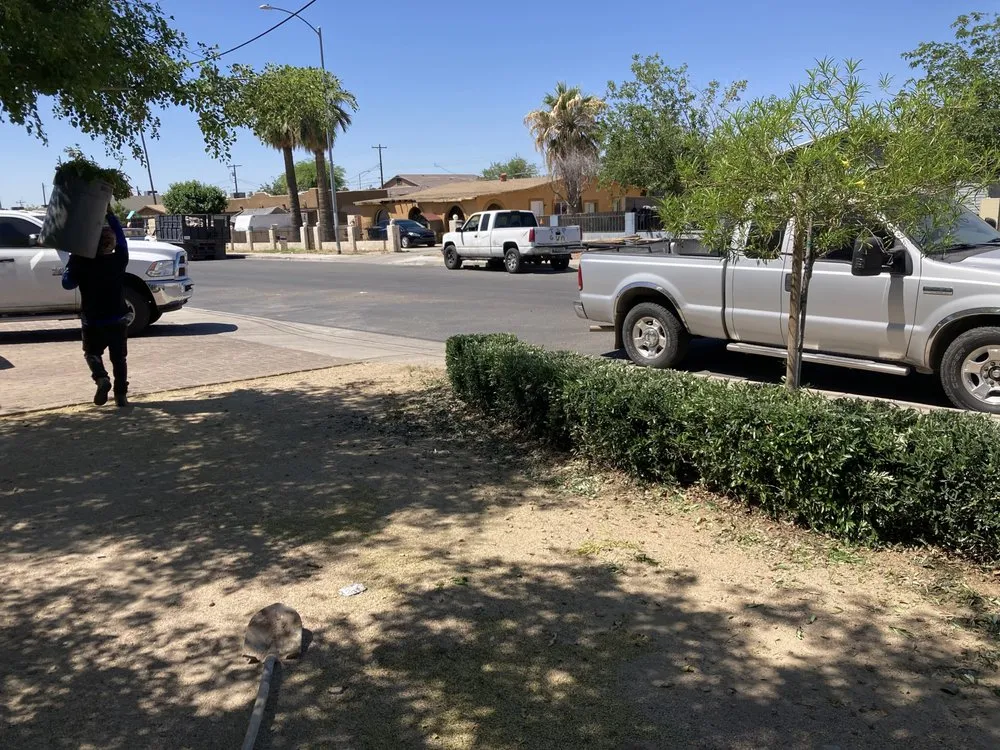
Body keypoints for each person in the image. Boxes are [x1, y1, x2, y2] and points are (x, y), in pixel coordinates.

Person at [62, 210, 131, 407]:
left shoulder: (82, 263)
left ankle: (101, 378)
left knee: (92, 353)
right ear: (112, 244)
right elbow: (122, 240)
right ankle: (121, 395)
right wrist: (110, 215)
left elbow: (67, 284)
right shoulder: (119, 260)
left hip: (93, 320)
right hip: (118, 318)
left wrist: (73, 257)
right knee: (119, 359)